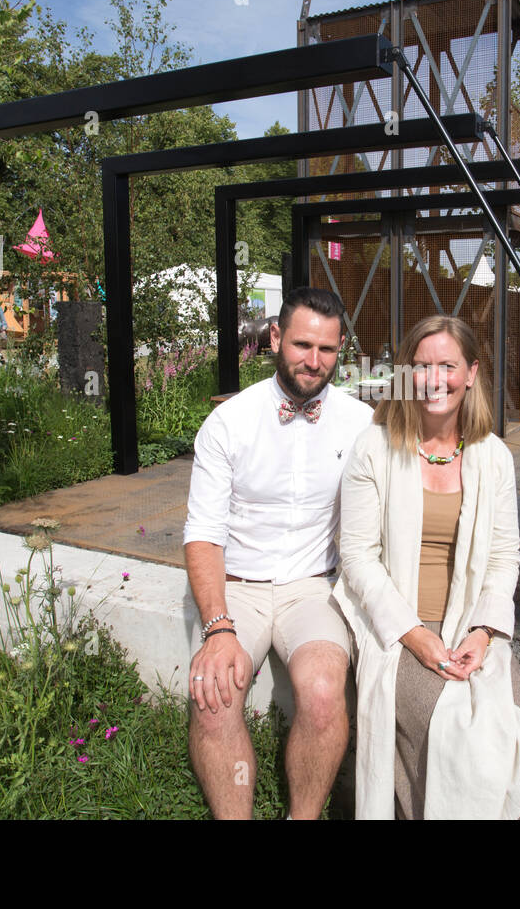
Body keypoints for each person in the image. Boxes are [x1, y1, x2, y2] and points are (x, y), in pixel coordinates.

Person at [336, 315, 520, 820]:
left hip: (469, 624)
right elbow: (358, 557)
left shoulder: (492, 457)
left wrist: (483, 632)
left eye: (447, 366)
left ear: (471, 373)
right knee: (448, 727)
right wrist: (416, 636)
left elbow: (502, 556)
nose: (435, 379)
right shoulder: (375, 448)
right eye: (421, 366)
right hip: (395, 623)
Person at [183, 287, 373, 819]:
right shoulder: (229, 423)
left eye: (328, 350)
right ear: (274, 339)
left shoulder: (361, 424)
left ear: (341, 352)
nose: (314, 361)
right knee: (215, 696)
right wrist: (218, 626)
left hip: (314, 586)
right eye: (302, 344)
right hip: (237, 586)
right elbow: (203, 534)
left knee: (320, 689)